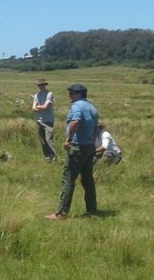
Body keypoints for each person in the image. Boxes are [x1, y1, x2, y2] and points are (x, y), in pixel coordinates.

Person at [46, 84, 98, 220]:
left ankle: (62, 212)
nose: (70, 95)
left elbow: (75, 122)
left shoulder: (77, 106)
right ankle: (92, 210)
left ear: (79, 94)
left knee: (68, 179)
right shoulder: (92, 107)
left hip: (78, 147)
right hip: (89, 146)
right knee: (88, 180)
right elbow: (94, 128)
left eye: (72, 92)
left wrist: (68, 139)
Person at [32, 78, 57, 162]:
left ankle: (54, 158)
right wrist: (40, 107)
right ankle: (47, 158)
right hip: (39, 120)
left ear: (45, 85)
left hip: (48, 120)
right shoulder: (36, 95)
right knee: (42, 140)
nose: (40, 86)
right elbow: (33, 108)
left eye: (42, 85)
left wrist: (38, 107)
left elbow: (47, 107)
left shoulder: (49, 94)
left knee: (49, 139)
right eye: (39, 85)